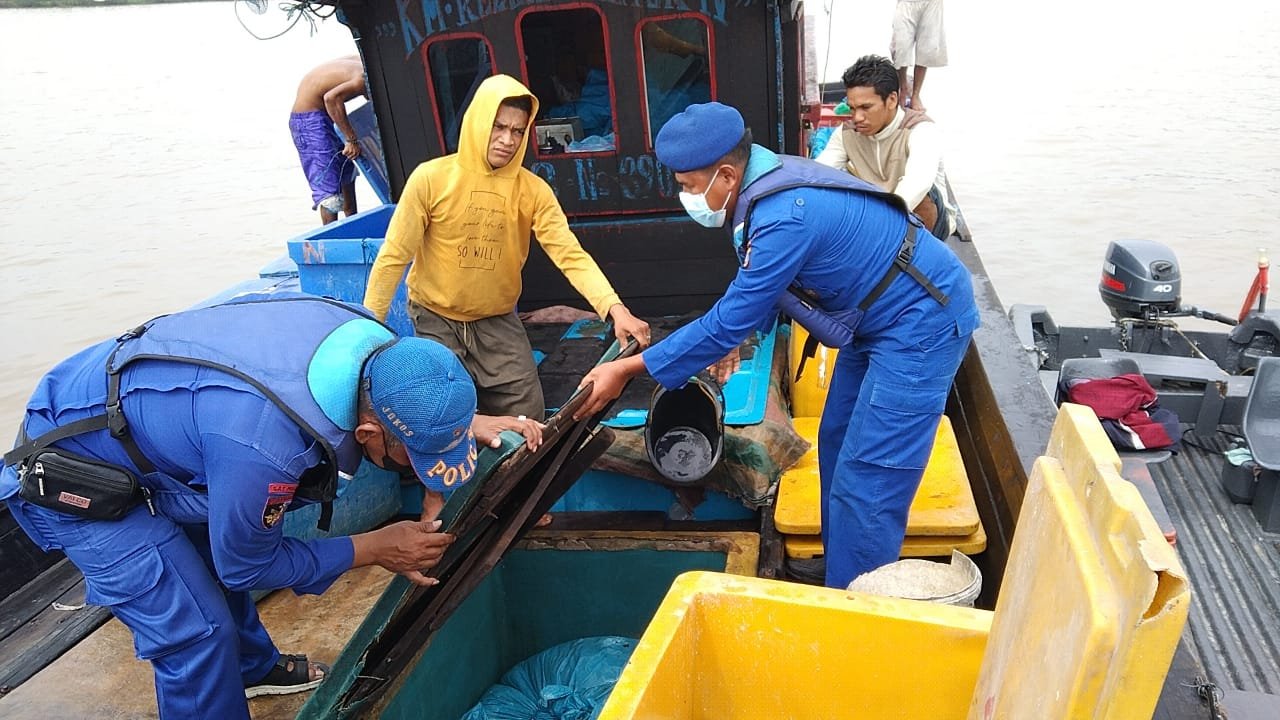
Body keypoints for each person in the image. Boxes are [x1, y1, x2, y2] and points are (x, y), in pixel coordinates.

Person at [0, 293, 543, 720]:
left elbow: (413, 392)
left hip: (155, 430)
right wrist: (373, 548)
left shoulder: (378, 354)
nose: (414, 472)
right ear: (367, 432)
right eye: (410, 459)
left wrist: (455, 426)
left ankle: (252, 668)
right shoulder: (267, 448)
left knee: (217, 554)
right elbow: (247, 565)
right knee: (195, 630)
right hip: (79, 473)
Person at [575, 103, 979, 590]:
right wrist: (736, 332)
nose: (685, 196)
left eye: (686, 185)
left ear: (725, 174)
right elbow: (761, 285)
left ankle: (859, 606)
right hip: (875, 321)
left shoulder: (785, 213)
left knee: (870, 477)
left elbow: (733, 312)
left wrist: (628, 369)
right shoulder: (758, 186)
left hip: (921, 322)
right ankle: (844, 572)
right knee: (836, 441)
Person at [363, 74, 650, 421]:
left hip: (498, 320)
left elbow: (570, 255)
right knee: (446, 412)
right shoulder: (430, 178)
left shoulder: (532, 190)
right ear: (477, 122)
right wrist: (370, 333)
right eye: (498, 127)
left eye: (517, 131)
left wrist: (615, 309)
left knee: (527, 415)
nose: (507, 140)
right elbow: (394, 256)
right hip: (436, 317)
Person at [815, 54, 954, 239]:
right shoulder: (847, 133)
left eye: (866, 107)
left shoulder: (920, 130)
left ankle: (921, 257)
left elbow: (917, 184)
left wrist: (877, 226)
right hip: (877, 214)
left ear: (892, 100)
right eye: (853, 108)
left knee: (925, 195)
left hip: (927, 220)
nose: (857, 117)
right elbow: (817, 174)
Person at [291, 55, 365, 225]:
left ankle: (354, 228)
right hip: (309, 122)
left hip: (324, 115)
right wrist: (351, 139)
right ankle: (332, 239)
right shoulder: (362, 79)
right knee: (329, 191)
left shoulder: (362, 63)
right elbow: (331, 98)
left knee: (346, 173)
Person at [891, 0, 947, 112]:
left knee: (926, 49)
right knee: (901, 48)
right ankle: (903, 87)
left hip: (931, 3)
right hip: (906, 3)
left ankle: (915, 95)